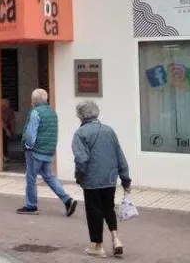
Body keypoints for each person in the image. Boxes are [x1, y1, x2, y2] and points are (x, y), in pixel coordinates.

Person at [72, 100, 131, 258]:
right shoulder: (109, 131)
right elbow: (120, 156)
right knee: (108, 208)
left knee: (94, 211)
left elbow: (81, 159)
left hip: (92, 180)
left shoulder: (80, 133)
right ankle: (115, 238)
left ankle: (97, 246)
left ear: (81, 116)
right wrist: (125, 179)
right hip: (110, 179)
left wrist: (79, 176)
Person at [17, 88, 77, 217]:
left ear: (34, 101)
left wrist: (28, 146)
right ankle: (67, 200)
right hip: (48, 152)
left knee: (31, 178)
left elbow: (30, 134)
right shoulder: (52, 112)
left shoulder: (35, 113)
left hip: (35, 152)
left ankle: (31, 206)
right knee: (49, 177)